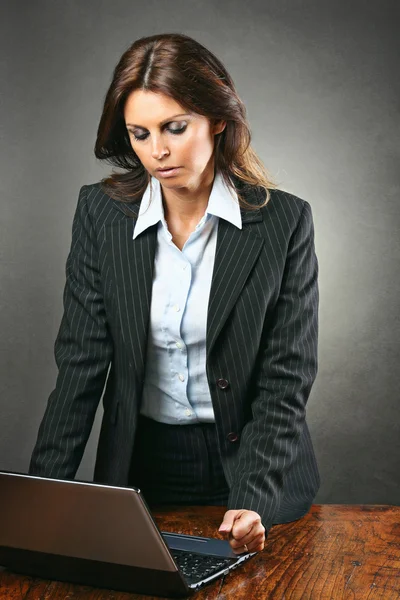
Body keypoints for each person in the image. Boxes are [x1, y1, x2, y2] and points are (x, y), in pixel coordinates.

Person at [29, 32, 320, 555]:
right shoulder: (100, 214)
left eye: (175, 128)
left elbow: (286, 378)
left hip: (257, 472)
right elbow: (80, 364)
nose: (157, 151)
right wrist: (41, 497)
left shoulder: (284, 221)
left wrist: (253, 499)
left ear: (219, 119)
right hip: (142, 469)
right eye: (139, 134)